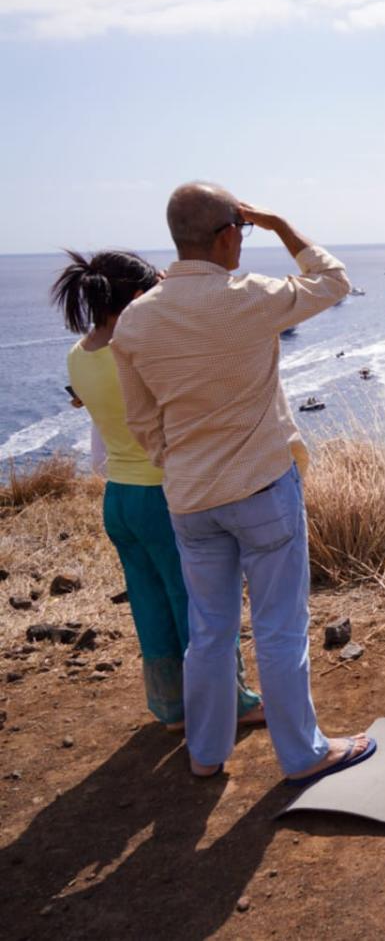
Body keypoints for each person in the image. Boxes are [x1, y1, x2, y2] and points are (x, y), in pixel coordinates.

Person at [112, 182, 372, 784]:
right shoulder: (247, 296)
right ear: (230, 235)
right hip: (261, 489)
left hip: (190, 498)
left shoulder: (136, 320)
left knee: (209, 631)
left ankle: (206, 752)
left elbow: (142, 421)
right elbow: (333, 280)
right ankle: (304, 754)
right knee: (280, 627)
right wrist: (281, 225)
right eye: (244, 232)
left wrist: (182, 462)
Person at [51, 250, 263, 732]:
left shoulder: (77, 356)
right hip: (162, 494)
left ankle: (172, 709)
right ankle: (233, 702)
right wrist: (176, 295)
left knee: (149, 604)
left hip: (120, 499)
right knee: (202, 604)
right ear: (135, 296)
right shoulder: (142, 349)